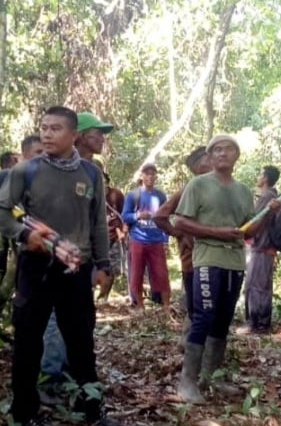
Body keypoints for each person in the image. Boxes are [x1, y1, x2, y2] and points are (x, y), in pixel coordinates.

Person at [0, 106, 118, 426]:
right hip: (37, 268)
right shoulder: (26, 171)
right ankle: (24, 413)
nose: (46, 134)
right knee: (28, 341)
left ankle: (90, 407)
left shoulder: (89, 174)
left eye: (55, 128)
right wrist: (26, 235)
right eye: (44, 128)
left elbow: (98, 225)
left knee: (81, 342)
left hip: (77, 269)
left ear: (73, 135)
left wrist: (104, 266)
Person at [173, 135, 279, 403]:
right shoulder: (198, 185)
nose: (222, 154)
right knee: (204, 316)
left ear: (236, 155)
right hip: (208, 258)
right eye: (216, 150)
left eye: (228, 149)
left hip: (234, 262)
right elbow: (182, 223)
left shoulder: (243, 191)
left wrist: (267, 212)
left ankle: (212, 378)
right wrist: (217, 232)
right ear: (209, 156)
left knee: (222, 319)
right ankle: (187, 382)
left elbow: (247, 229)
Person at [153, 146, 211, 324]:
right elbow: (160, 216)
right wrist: (179, 234)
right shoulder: (187, 190)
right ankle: (192, 346)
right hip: (193, 261)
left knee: (211, 312)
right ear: (198, 168)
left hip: (215, 259)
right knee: (197, 312)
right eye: (207, 161)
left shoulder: (221, 188)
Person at [74, 112, 123, 302]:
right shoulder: (61, 166)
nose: (103, 138)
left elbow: (98, 219)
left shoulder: (94, 171)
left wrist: (102, 261)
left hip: (88, 254)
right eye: (98, 133)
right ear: (81, 135)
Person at [123, 164, 170, 311]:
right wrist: (138, 215)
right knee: (137, 273)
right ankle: (140, 306)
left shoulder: (160, 196)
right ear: (141, 176)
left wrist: (166, 239)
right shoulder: (133, 195)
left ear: (156, 176)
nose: (150, 176)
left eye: (152, 174)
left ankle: (167, 307)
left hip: (156, 240)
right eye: (147, 173)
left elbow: (166, 218)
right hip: (138, 239)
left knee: (161, 274)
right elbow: (125, 215)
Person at [243, 165, 281, 333]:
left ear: (265, 178)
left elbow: (253, 221)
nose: (258, 177)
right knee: (261, 285)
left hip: (262, 247)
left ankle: (257, 324)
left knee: (256, 286)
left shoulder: (268, 197)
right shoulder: (273, 196)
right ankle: (259, 323)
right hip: (264, 248)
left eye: (260, 174)